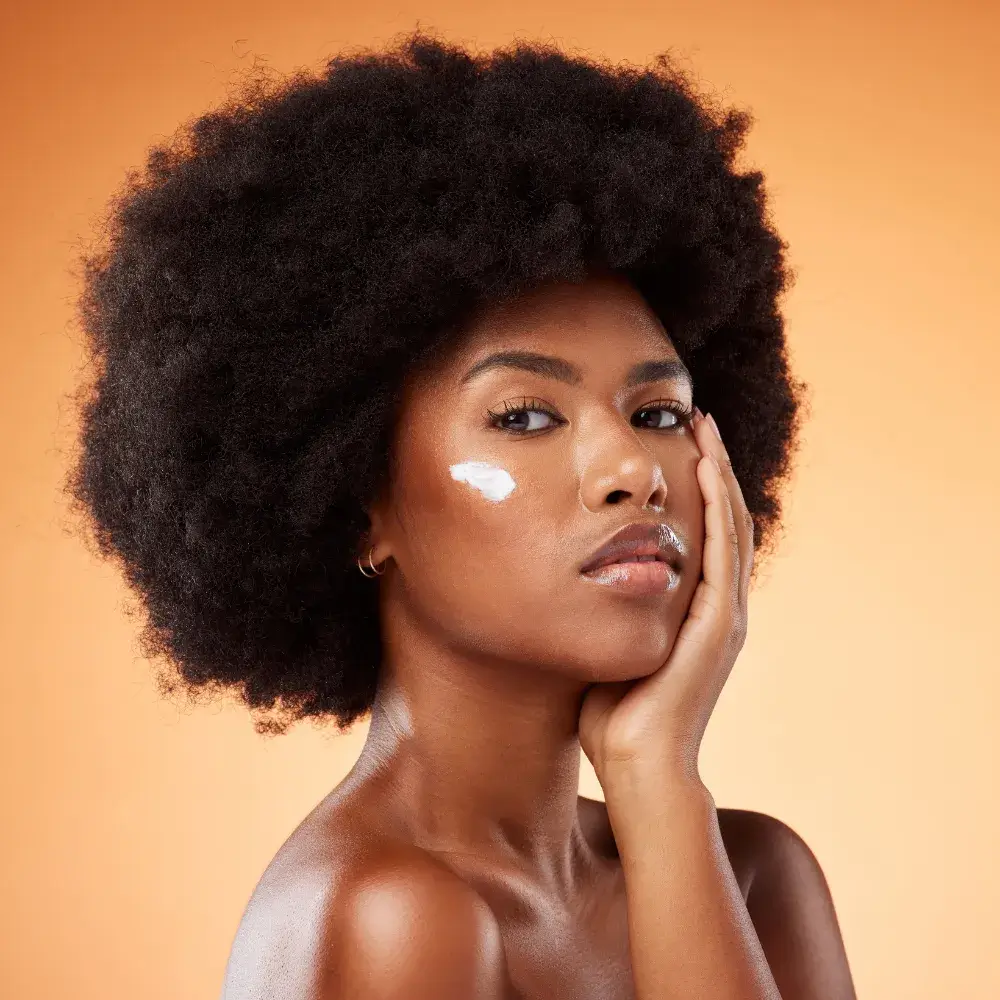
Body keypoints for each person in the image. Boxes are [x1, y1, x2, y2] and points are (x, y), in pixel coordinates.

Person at [62, 26, 857, 1000]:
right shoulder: (389, 912)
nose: (633, 471)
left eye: (656, 413)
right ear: (360, 505)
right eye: (524, 415)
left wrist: (656, 784)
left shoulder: (751, 873)